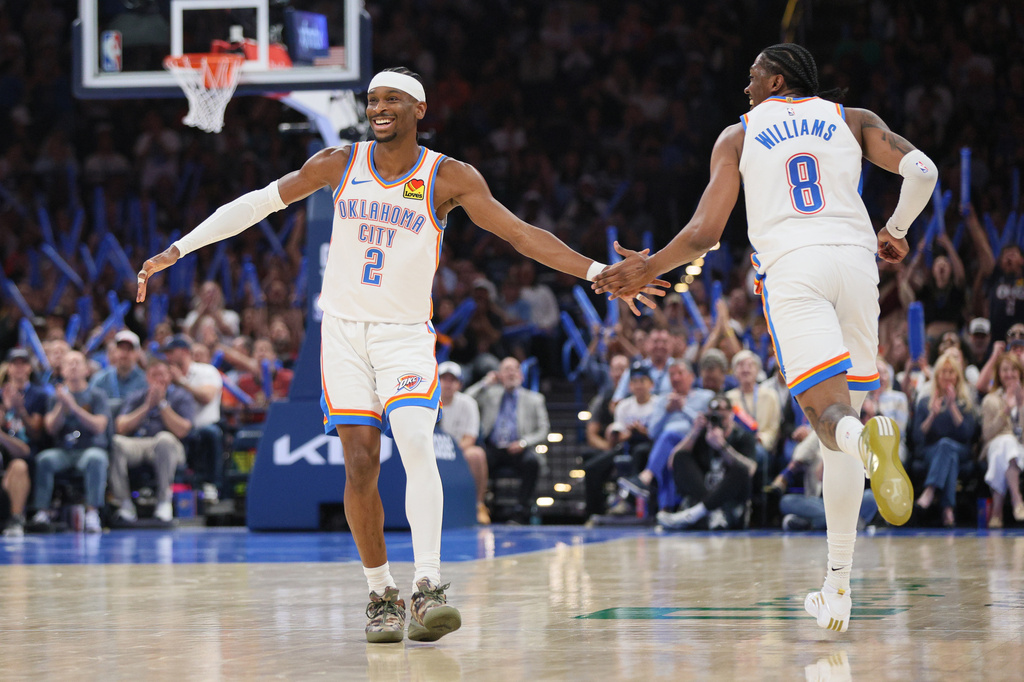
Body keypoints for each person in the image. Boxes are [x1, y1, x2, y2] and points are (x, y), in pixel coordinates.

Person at [134, 67, 655, 643]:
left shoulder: (448, 177)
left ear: (419, 110)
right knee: (360, 464)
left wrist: (596, 271)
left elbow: (517, 232)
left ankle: (428, 586)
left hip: (404, 335)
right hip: (344, 336)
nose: (379, 107)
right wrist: (176, 250)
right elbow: (257, 203)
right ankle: (381, 592)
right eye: (373, 99)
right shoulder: (339, 163)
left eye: (392, 100)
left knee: (414, 444)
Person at [594, 43, 938, 632]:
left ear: (775, 78)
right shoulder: (851, 120)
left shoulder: (738, 134)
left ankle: (865, 445)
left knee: (831, 422)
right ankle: (837, 588)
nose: (745, 85)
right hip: (857, 266)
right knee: (842, 429)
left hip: (794, 269)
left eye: (752, 76)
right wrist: (897, 229)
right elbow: (923, 170)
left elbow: (705, 232)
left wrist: (649, 269)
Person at [110, 358, 198, 523]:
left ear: (170, 376)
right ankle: (125, 504)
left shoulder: (181, 396)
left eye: (162, 375)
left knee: (164, 439)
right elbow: (120, 426)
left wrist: (162, 404)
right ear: (147, 378)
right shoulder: (137, 396)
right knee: (116, 442)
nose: (158, 379)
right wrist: (147, 407)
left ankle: (164, 502)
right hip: (140, 443)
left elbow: (183, 430)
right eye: (154, 375)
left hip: (171, 446)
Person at [31, 351, 110, 533]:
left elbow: (99, 426)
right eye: (69, 363)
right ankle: (42, 511)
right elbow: (50, 428)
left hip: (89, 448)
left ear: (86, 369)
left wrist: (73, 407)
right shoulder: (55, 397)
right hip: (64, 451)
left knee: (96, 459)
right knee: (44, 459)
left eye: (77, 362)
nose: (73, 366)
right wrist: (62, 405)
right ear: (62, 370)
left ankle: (92, 513)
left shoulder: (97, 395)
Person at [466, 356, 551, 523]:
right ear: (499, 375)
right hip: (494, 448)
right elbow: (467, 399)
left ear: (522, 375)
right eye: (506, 369)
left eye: (515, 369)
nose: (511, 373)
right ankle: (478, 506)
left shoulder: (534, 399)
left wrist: (524, 442)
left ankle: (521, 511)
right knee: (476, 459)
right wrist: (485, 383)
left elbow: (544, 430)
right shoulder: (490, 394)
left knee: (532, 462)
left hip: (520, 448)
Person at [656, 394, 758, 530]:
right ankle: (707, 510)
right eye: (714, 415)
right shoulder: (702, 434)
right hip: (705, 492)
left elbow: (750, 470)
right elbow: (672, 462)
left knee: (741, 468)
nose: (718, 420)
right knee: (681, 456)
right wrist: (694, 431)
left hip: (729, 500)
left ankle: (695, 514)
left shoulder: (743, 436)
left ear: (731, 414)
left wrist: (723, 447)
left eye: (722, 415)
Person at [909, 349, 977, 528]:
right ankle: (948, 509)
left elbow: (968, 434)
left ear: (957, 376)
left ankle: (929, 491)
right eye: (943, 372)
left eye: (951, 372)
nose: (947, 376)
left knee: (948, 447)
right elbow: (918, 436)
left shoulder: (965, 400)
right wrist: (932, 415)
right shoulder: (925, 401)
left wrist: (953, 406)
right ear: (937, 375)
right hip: (931, 451)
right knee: (948, 453)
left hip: (961, 449)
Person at [436, 361, 490, 524]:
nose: (448, 384)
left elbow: (470, 438)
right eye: (444, 379)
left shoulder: (468, 404)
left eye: (452, 380)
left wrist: (451, 453)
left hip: (458, 451)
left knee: (476, 454)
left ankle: (478, 505)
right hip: (431, 450)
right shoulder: (428, 402)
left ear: (459, 384)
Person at [978, 352, 1024, 528]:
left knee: (1005, 451)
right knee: (1004, 443)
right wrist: (1005, 411)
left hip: (1019, 449)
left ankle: (997, 512)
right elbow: (987, 434)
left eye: (1013, 370)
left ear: (1020, 373)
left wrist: (1020, 407)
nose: (1009, 374)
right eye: (1005, 370)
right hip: (994, 444)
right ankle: (1017, 499)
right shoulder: (990, 399)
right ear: (998, 374)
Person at [89, 330, 148, 416]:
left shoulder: (145, 381)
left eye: (129, 349)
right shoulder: (100, 379)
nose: (124, 354)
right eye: (121, 348)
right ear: (114, 352)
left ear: (138, 353)